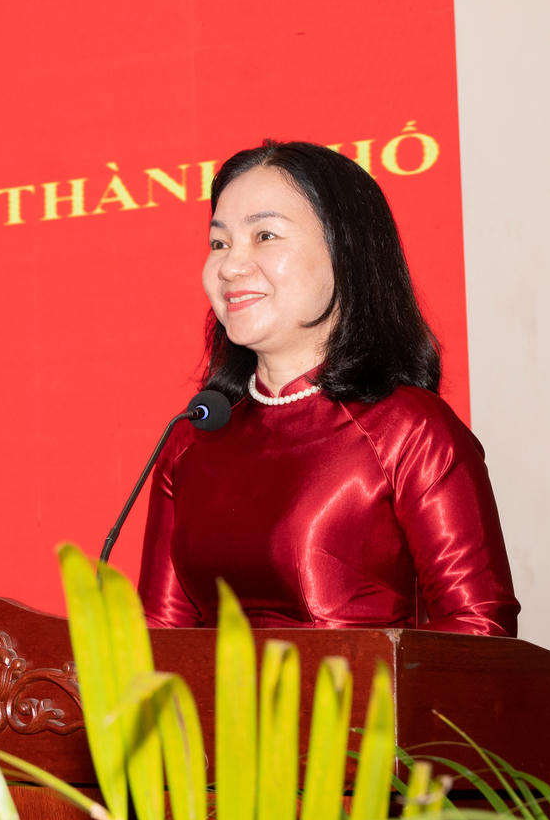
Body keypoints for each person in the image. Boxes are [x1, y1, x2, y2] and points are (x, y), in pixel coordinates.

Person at [137, 141, 519, 635]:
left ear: (345, 253)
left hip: (369, 691)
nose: (230, 266)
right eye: (219, 243)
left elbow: (479, 628)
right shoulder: (190, 440)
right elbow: (158, 639)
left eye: (265, 235)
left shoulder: (410, 430)